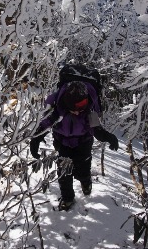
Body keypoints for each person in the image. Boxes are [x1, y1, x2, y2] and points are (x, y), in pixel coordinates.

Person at [30, 80, 119, 211]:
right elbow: (45, 124)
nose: (78, 113)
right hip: (62, 142)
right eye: (74, 110)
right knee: (64, 172)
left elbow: (96, 129)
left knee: (82, 169)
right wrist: (36, 139)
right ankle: (68, 198)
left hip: (84, 141)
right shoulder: (57, 107)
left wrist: (109, 138)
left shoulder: (89, 108)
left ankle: (86, 181)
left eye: (81, 110)